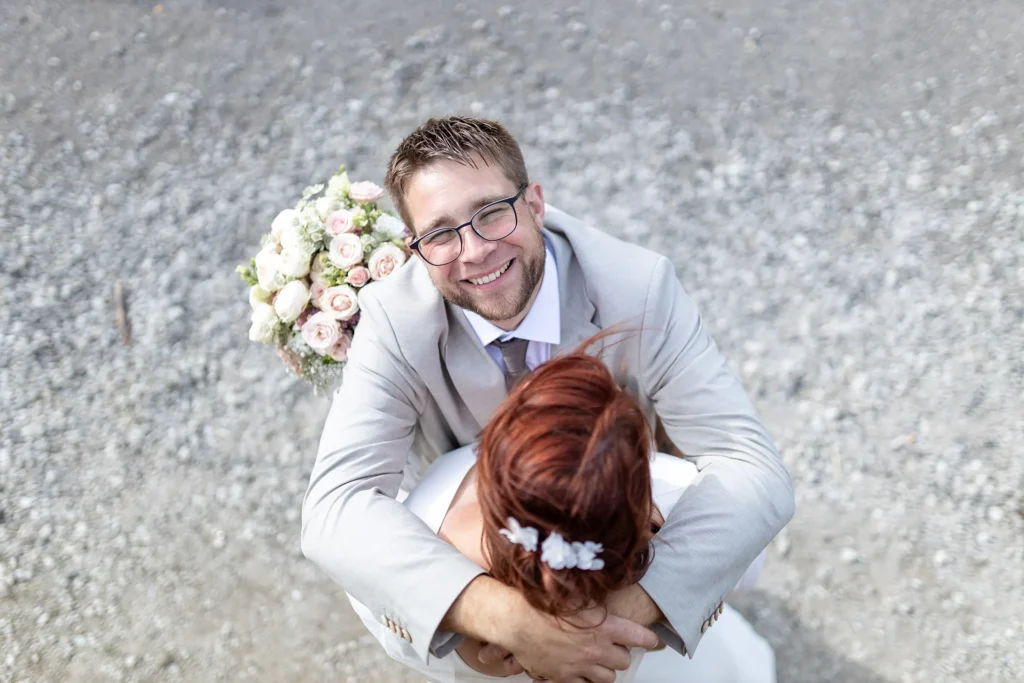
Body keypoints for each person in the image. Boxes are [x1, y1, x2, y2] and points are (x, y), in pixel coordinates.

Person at [302, 116, 795, 682]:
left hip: (619, 546)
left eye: (491, 212)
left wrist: (624, 614)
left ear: (535, 203)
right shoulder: (394, 318)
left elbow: (752, 467)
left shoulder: (639, 287)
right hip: (472, 556)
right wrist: (497, 617)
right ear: (414, 250)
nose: (475, 252)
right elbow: (333, 509)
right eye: (440, 234)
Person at [345, 344, 776, 682]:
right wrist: (655, 624)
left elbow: (388, 620)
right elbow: (741, 566)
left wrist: (473, 651)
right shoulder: (687, 498)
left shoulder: (417, 527)